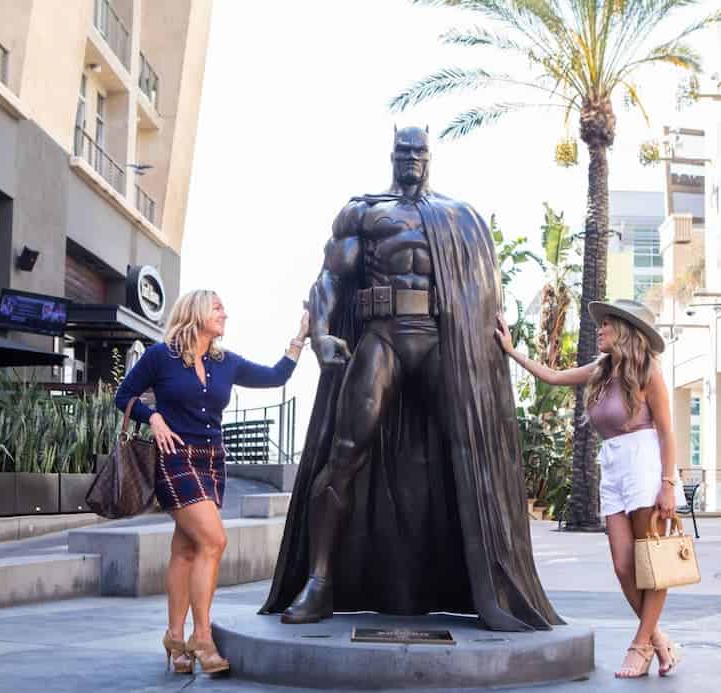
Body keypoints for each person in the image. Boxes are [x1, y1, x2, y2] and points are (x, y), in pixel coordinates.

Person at [261, 125, 561, 632]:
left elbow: (480, 291)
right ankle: (320, 581)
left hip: (441, 339)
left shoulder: (458, 216)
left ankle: (492, 585)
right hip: (383, 335)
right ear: (392, 154)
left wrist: (491, 340)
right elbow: (331, 277)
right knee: (344, 452)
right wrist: (322, 335)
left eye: (419, 152)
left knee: (472, 448)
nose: (411, 159)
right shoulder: (363, 210)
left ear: (429, 157)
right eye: (403, 151)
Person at [115, 289, 309, 675]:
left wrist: (300, 336)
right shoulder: (161, 356)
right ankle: (202, 638)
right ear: (197, 312)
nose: (225, 314)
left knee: (186, 549)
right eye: (218, 308)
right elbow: (123, 396)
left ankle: (174, 637)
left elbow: (275, 376)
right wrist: (153, 417)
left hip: (212, 462)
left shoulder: (226, 362)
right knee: (214, 541)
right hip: (174, 458)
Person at [495, 298, 686, 678]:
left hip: (646, 466)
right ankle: (658, 640)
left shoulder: (649, 372)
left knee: (653, 565)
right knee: (623, 566)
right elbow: (552, 376)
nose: (599, 329)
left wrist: (667, 484)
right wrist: (511, 351)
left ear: (626, 331)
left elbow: (667, 432)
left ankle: (640, 645)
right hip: (613, 468)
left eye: (606, 324)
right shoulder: (601, 370)